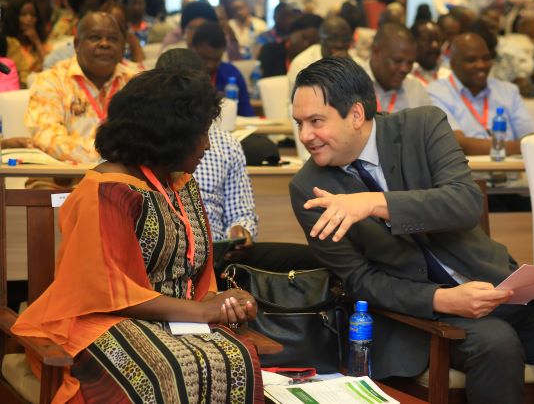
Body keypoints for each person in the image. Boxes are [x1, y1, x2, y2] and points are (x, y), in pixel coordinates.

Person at [289, 56, 534, 404]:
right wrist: (442, 299)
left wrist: (376, 203)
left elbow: (464, 202)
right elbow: (360, 280)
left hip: (499, 288)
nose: (305, 136)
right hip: (419, 313)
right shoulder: (308, 187)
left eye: (316, 121)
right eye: (299, 123)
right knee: (496, 343)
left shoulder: (422, 126)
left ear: (356, 115)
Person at [12, 67, 263, 404]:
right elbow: (111, 295)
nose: (205, 145)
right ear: (166, 136)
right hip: (96, 323)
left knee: (238, 358)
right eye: (199, 133)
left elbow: (193, 277)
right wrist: (204, 312)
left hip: (170, 320)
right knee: (166, 370)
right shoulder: (108, 191)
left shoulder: (179, 183)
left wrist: (227, 302)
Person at [157, 48, 320, 275]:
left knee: (313, 261)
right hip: (164, 258)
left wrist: (240, 231)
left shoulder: (225, 144)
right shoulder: (145, 141)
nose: (206, 146)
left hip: (220, 258)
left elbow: (242, 212)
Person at [25, 12, 138, 163]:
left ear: (123, 48)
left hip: (124, 181)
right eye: (95, 37)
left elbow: (151, 138)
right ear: (77, 44)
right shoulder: (52, 80)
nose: (105, 44)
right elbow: (48, 137)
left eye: (113, 39)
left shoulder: (136, 83)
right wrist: (109, 158)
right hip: (62, 179)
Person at [428, 33, 534, 155]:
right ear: (453, 64)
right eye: (471, 60)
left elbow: (533, 136)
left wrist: (531, 144)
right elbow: (456, 143)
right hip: (470, 172)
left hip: (511, 171)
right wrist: (520, 147)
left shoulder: (508, 91)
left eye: (486, 58)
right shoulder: (436, 92)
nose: (481, 65)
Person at [360, 23, 431, 113]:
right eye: (397, 61)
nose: (405, 69)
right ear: (375, 52)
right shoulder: (350, 85)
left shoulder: (416, 90)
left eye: (410, 62)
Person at [189, 21, 254, 116]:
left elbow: (247, 113)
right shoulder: (182, 74)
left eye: (216, 59)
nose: (210, 65)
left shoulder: (232, 74)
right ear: (193, 48)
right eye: (205, 58)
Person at [287, 16, 353, 92]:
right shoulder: (302, 63)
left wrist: (352, 68)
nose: (340, 44)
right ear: (321, 40)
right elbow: (296, 101)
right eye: (333, 38)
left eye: (345, 39)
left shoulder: (356, 61)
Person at [2, 0, 51, 86]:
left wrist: (36, 41)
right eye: (23, 14)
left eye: (33, 15)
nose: (29, 18)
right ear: (15, 17)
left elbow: (51, 70)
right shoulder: (9, 44)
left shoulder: (44, 45)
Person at [258, 13, 322, 78]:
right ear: (293, 31)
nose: (306, 44)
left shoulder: (312, 60)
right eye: (304, 37)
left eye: (312, 43)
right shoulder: (270, 51)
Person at [411, 20, 451, 85]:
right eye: (428, 40)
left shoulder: (449, 75)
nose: (435, 45)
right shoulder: (404, 76)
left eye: (438, 40)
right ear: (413, 43)